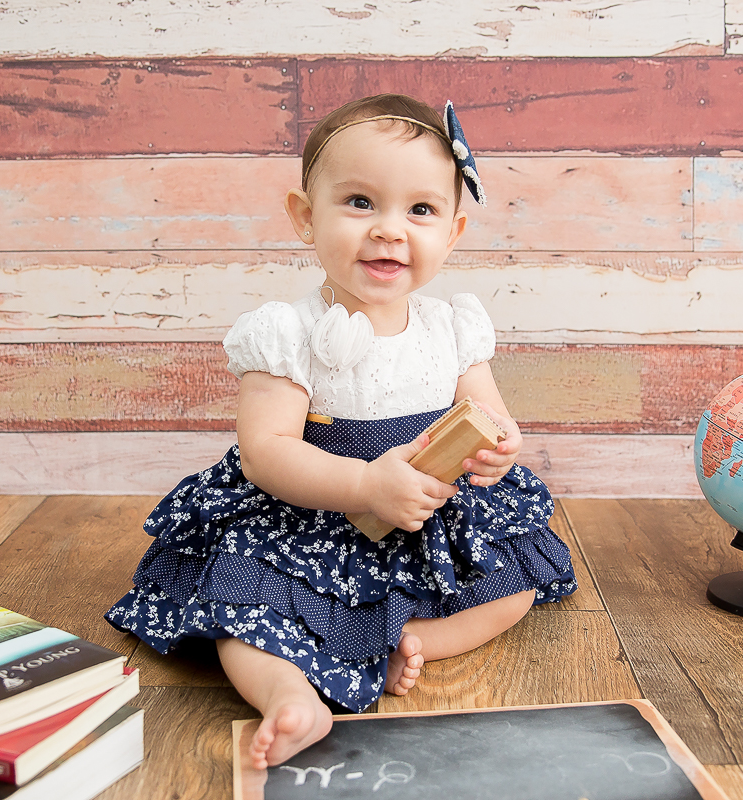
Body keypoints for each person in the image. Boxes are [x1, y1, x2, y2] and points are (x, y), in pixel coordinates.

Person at [105, 93, 576, 769]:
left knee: (514, 586)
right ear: (305, 216)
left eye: (420, 210)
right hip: (311, 517)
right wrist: (362, 483)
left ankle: (413, 640)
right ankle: (289, 697)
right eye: (360, 203)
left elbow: (488, 413)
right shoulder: (286, 332)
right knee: (245, 609)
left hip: (424, 514)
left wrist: (502, 446)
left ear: (453, 232)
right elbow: (266, 453)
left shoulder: (453, 327)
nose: (390, 230)